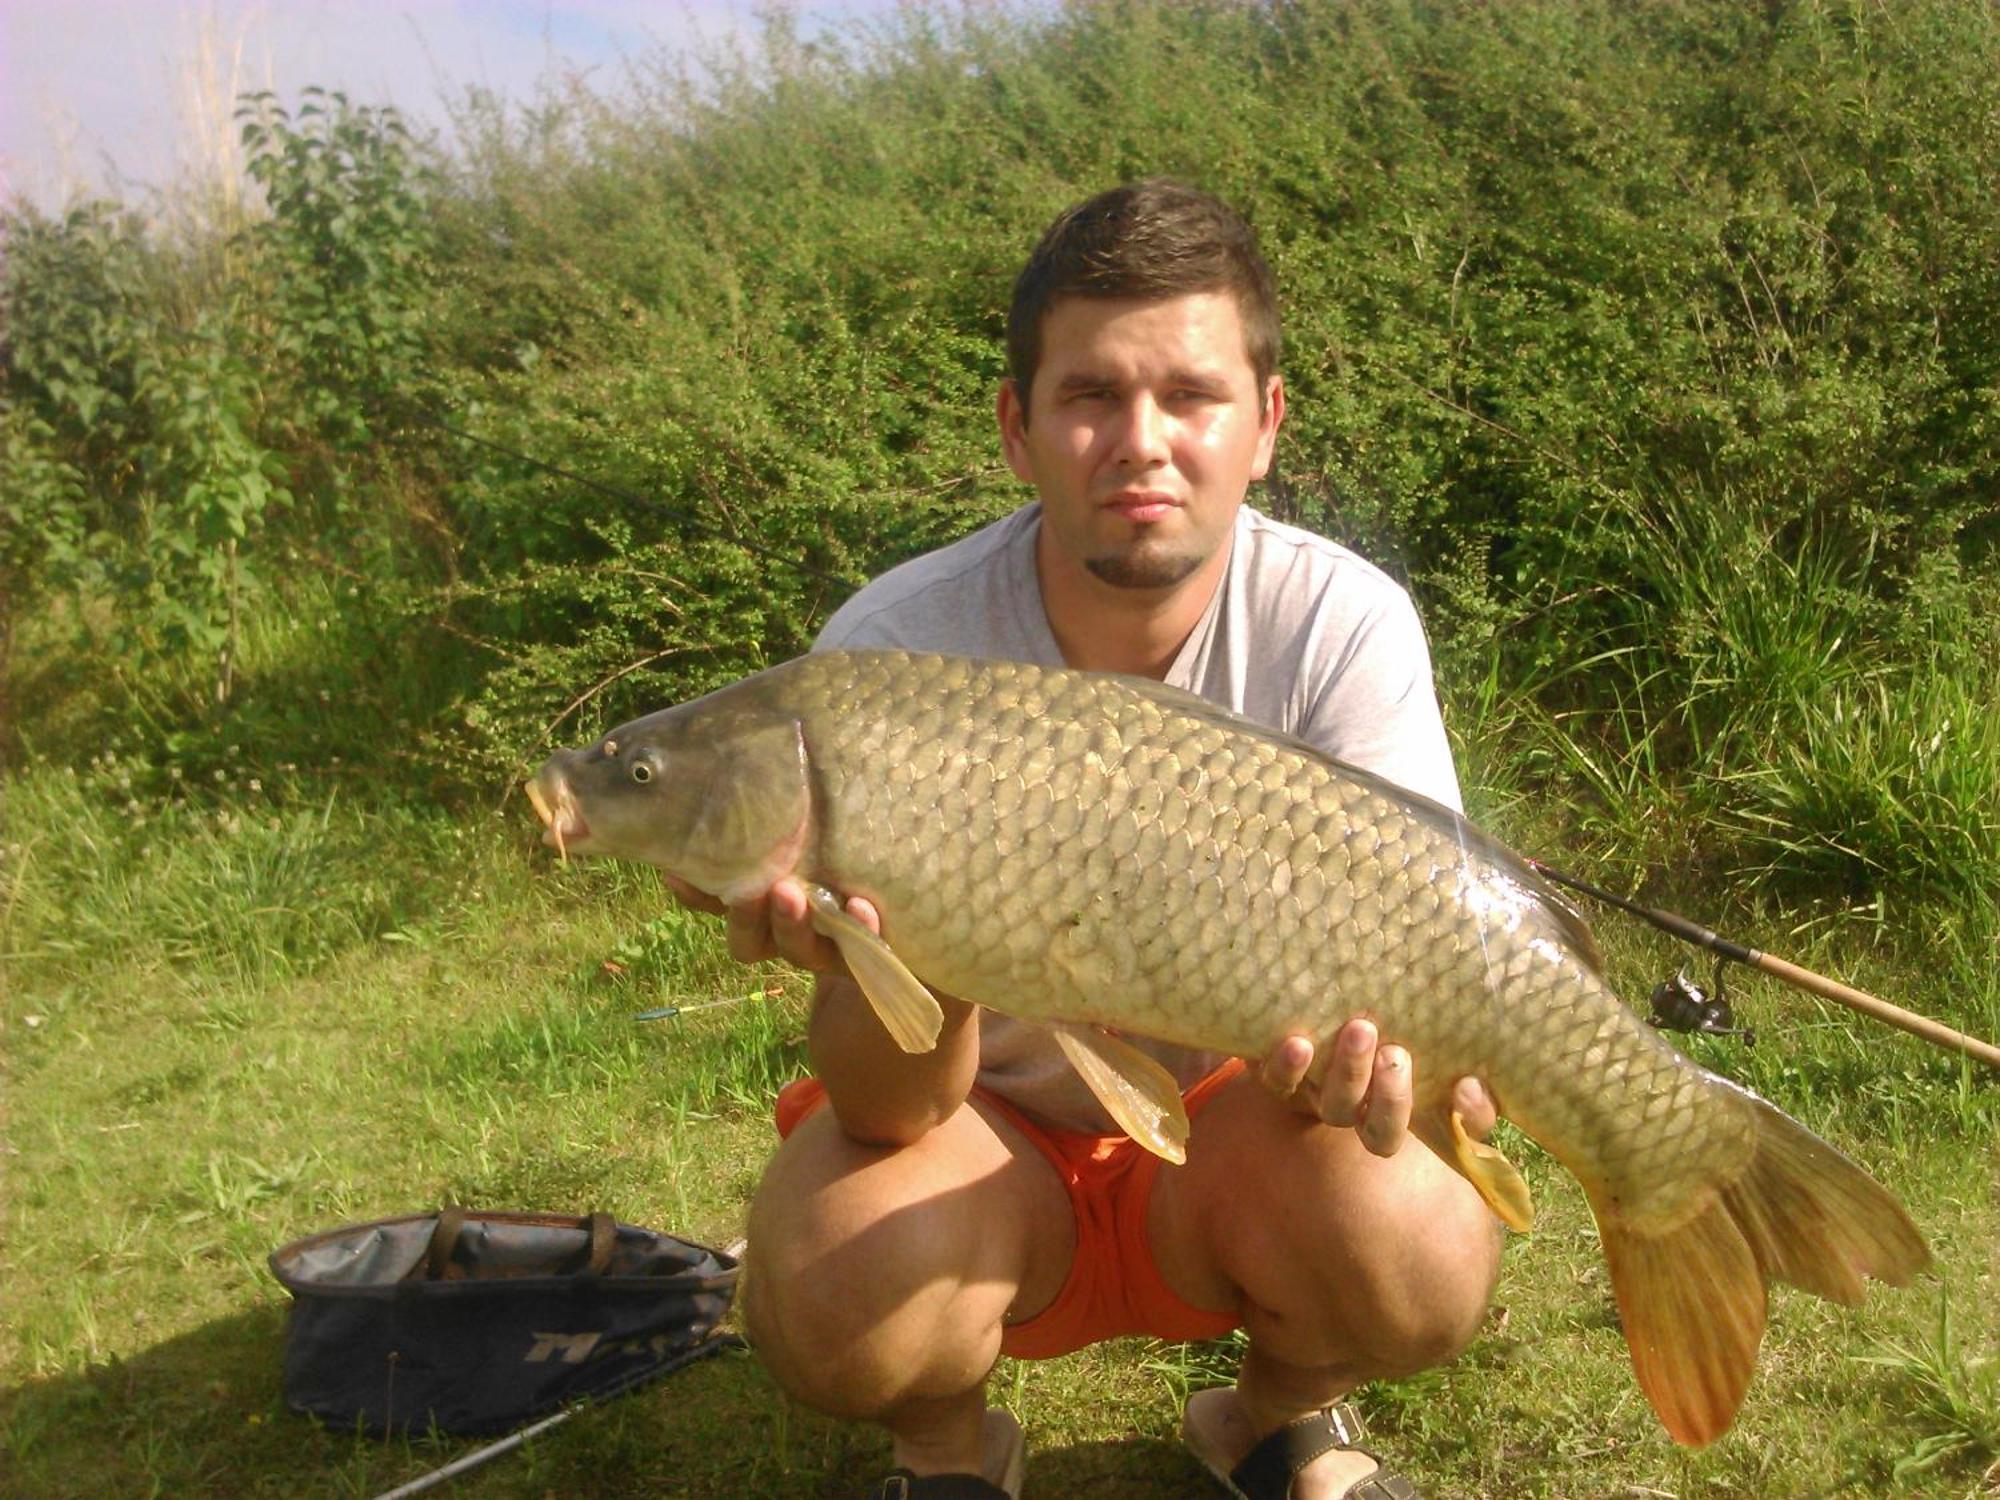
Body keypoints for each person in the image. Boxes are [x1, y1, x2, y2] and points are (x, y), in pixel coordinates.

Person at [672, 180, 1501, 1500]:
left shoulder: (1343, 624)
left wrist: (1411, 1067)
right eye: (1090, 398)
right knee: (833, 1289)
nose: (1142, 441)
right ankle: (948, 1453)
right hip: (981, 1142)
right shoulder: (884, 658)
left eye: (1190, 395)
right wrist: (899, 948)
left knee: (1418, 1240)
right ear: (1018, 427)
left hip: (1245, 1130)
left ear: (1266, 423)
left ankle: (1279, 1420)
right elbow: (889, 1109)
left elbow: (1441, 961)